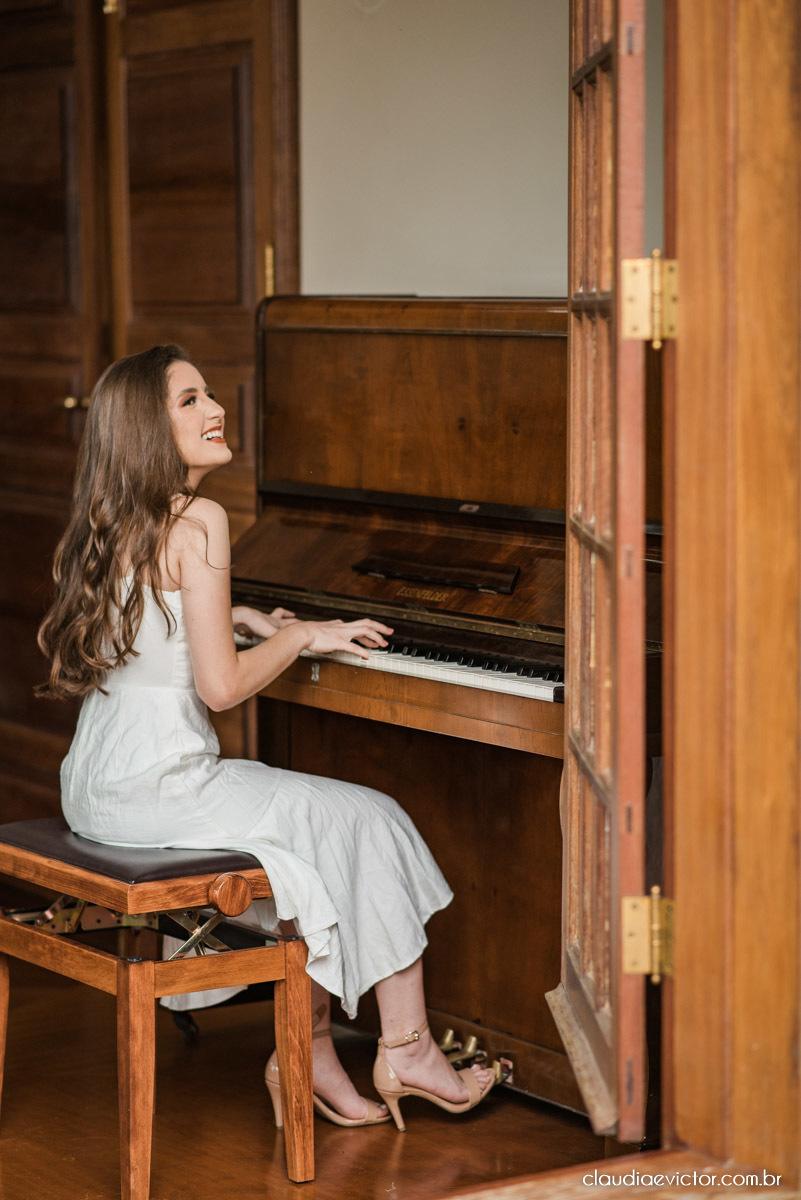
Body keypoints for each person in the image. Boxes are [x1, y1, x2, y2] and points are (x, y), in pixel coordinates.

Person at [37, 344, 494, 1130]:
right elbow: (220, 688)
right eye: (188, 401)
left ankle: (307, 1053)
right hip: (162, 786)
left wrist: (242, 617)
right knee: (371, 817)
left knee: (309, 843)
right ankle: (409, 1049)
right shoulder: (202, 519)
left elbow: (159, 623)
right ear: (148, 427)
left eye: (208, 392)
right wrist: (302, 637)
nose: (214, 409)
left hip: (97, 785)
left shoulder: (114, 517)